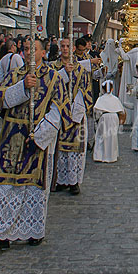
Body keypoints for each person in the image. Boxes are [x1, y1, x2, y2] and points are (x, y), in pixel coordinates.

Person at [0, 37, 69, 249]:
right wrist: (22, 87)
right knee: (6, 187)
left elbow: (59, 109)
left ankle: (33, 230)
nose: (29, 52)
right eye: (26, 49)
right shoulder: (15, 75)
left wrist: (41, 135)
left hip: (37, 139)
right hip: (12, 138)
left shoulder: (53, 78)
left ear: (43, 53)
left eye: (34, 49)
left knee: (33, 187)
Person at [52, 37, 94, 195]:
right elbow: (49, 87)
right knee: (60, 150)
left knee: (75, 150)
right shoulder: (53, 67)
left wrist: (78, 105)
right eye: (62, 46)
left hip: (75, 115)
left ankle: (74, 181)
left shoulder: (81, 70)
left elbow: (87, 91)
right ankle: (60, 180)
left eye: (67, 46)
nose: (64, 49)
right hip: (59, 114)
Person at [93, 79, 126, 162]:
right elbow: (121, 111)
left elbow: (97, 111)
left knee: (101, 136)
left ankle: (100, 156)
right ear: (112, 89)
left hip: (104, 118)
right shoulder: (115, 99)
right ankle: (111, 156)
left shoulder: (101, 99)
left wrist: (96, 118)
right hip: (114, 117)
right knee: (112, 137)